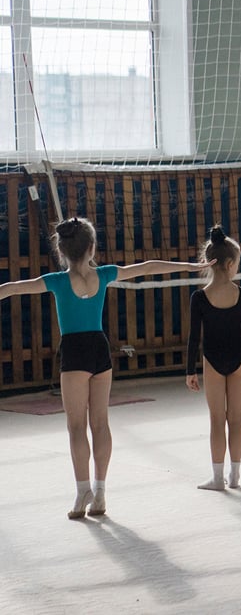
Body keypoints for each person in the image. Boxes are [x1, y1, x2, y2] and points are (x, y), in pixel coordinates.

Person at [0, 217, 212, 519]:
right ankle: (99, 491)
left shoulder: (58, 281)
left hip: (74, 352)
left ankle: (82, 490)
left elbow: (10, 288)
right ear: (91, 248)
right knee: (100, 423)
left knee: (76, 426)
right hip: (100, 349)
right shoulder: (105, 274)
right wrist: (190, 267)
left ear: (62, 250)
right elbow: (149, 266)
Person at [186, 225, 241, 491]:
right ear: (229, 264)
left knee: (217, 419)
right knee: (236, 418)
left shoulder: (199, 298)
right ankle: (235, 475)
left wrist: (189, 371)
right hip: (239, 358)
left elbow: (194, 337)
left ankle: (218, 478)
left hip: (213, 361)